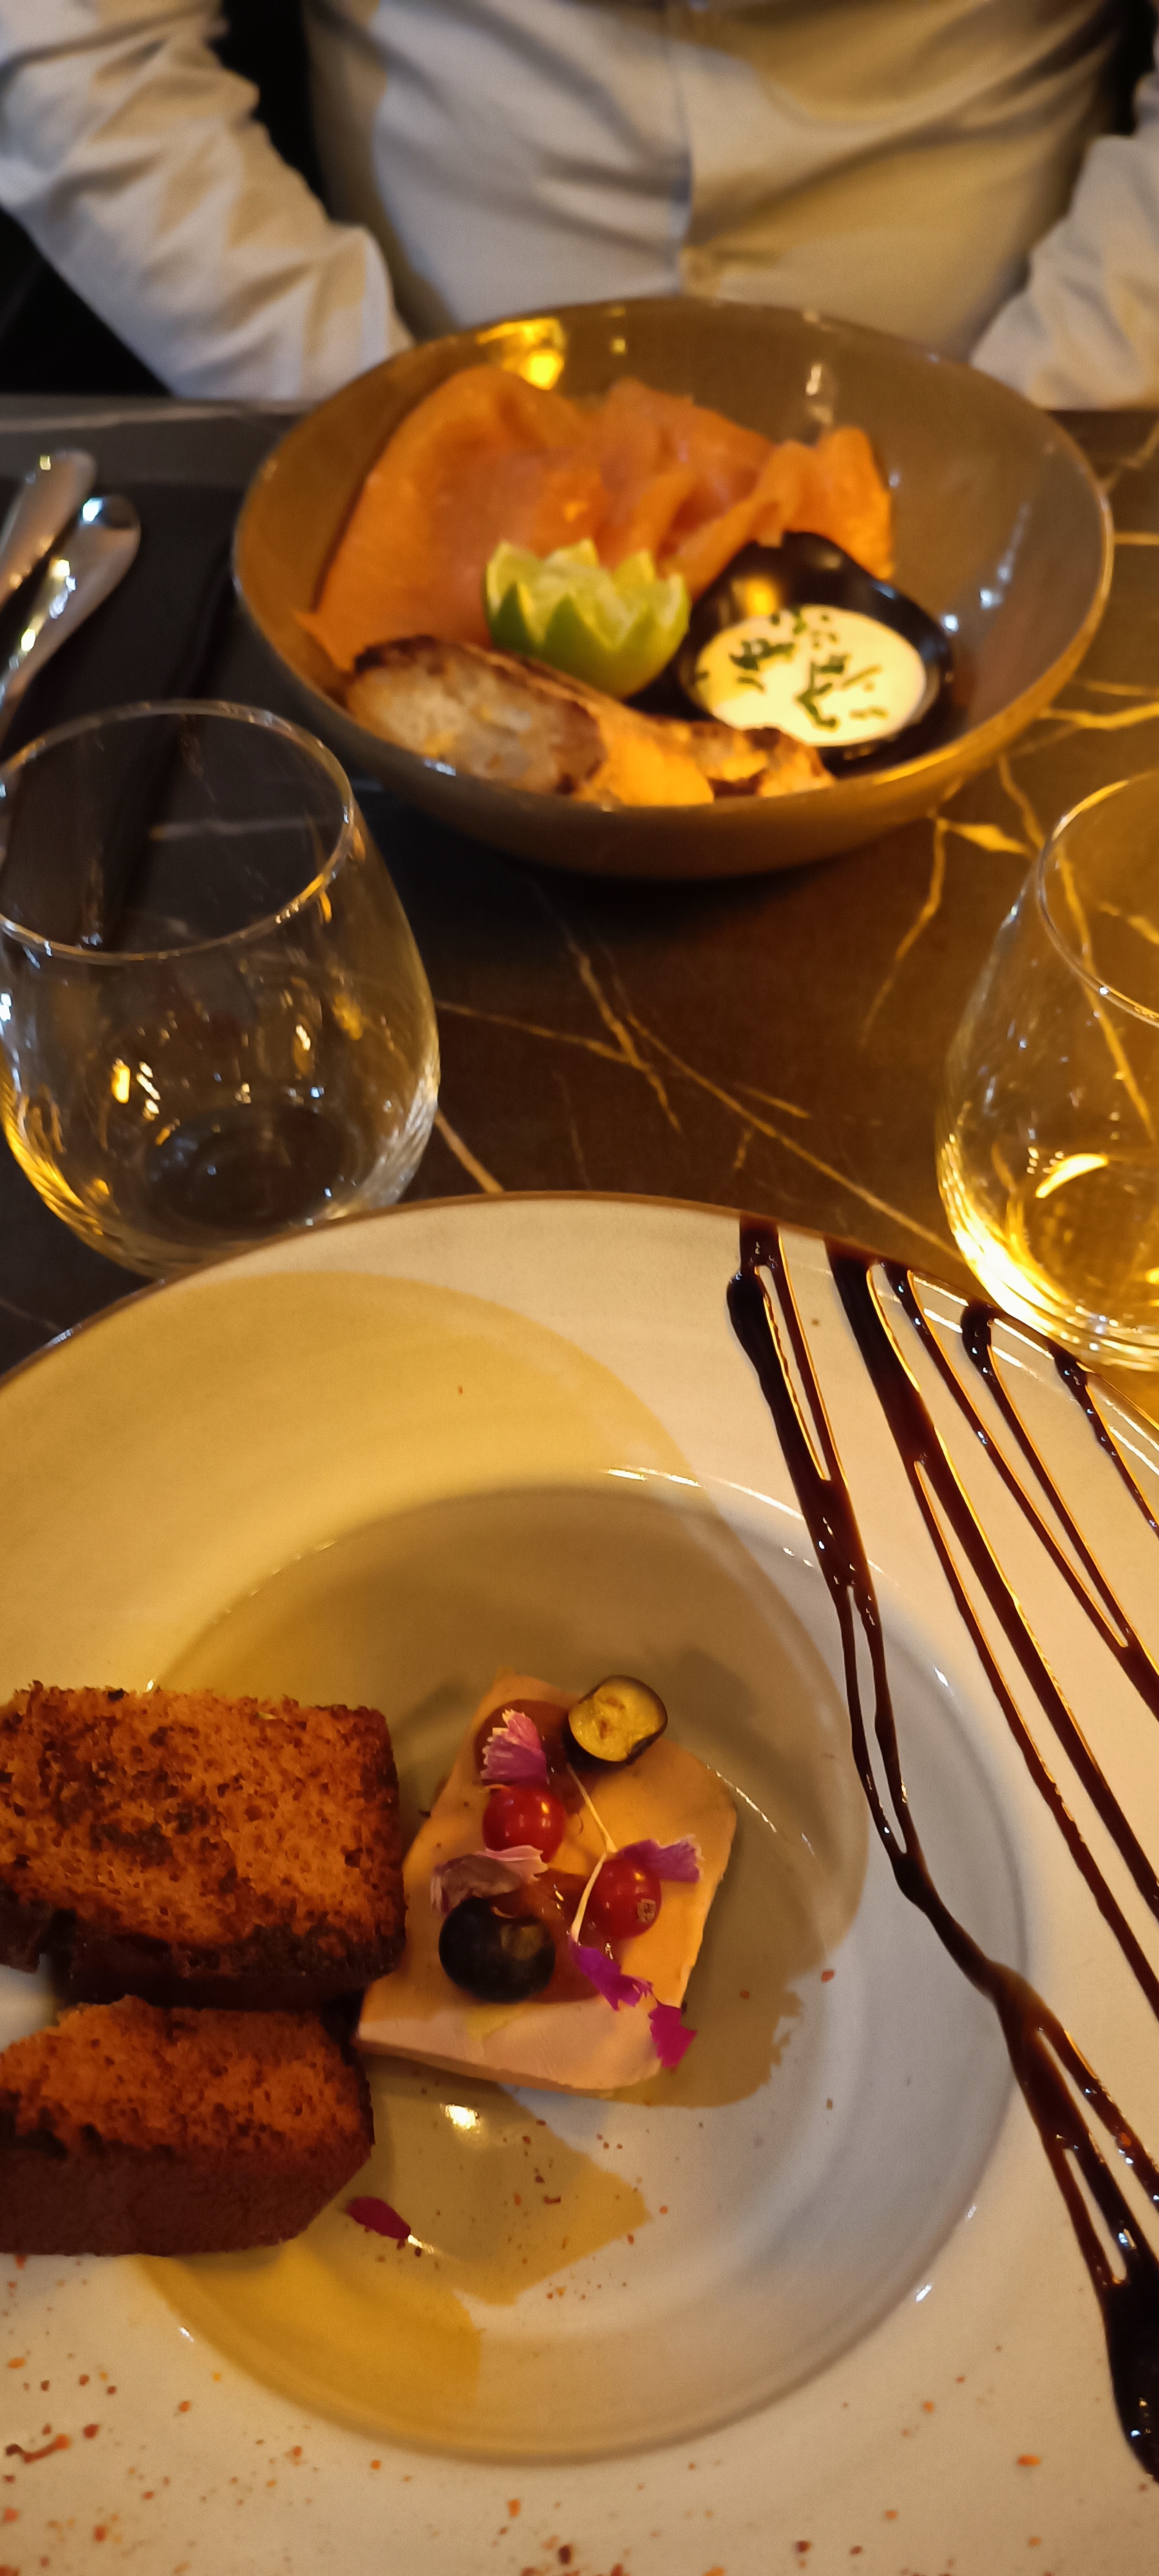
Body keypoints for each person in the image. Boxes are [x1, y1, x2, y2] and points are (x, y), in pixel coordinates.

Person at [0, 0, 1157, 407]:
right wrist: (351, 398)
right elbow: (75, 32)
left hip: (1037, 381)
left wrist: (1064, 399)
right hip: (396, 386)